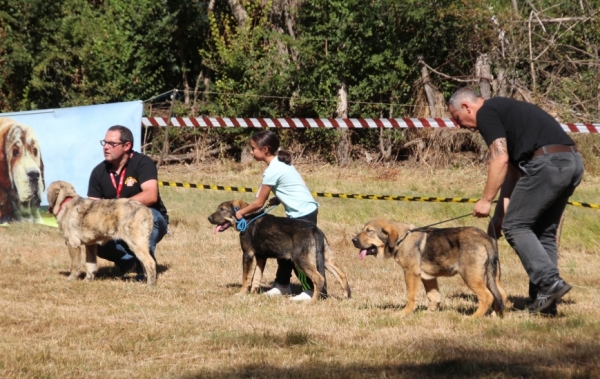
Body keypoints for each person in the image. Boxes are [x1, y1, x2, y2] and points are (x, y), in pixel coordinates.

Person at [447, 88, 584, 315]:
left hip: (548, 164)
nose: (458, 125)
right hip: (571, 161)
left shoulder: (486, 113)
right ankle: (545, 301)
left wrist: (486, 200)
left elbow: (499, 158)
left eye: (457, 119)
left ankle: (549, 283)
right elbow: (511, 173)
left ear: (466, 107)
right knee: (543, 232)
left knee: (516, 226)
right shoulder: (503, 110)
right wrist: (499, 216)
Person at [235, 130, 320, 301]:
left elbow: (258, 203)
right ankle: (282, 285)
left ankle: (309, 290)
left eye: (253, 149)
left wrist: (241, 212)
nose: (251, 152)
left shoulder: (272, 170)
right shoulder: (282, 163)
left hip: (302, 213)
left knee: (298, 254)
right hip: (305, 209)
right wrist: (280, 197)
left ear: (265, 150)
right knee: (283, 249)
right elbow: (301, 183)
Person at [88, 125, 169, 278]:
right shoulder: (98, 172)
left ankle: (144, 271)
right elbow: (93, 208)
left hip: (151, 216)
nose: (106, 147)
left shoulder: (143, 163)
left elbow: (151, 195)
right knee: (92, 237)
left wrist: (118, 207)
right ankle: (130, 262)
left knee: (143, 223)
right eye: (104, 143)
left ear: (127, 146)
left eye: (111, 144)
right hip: (115, 222)